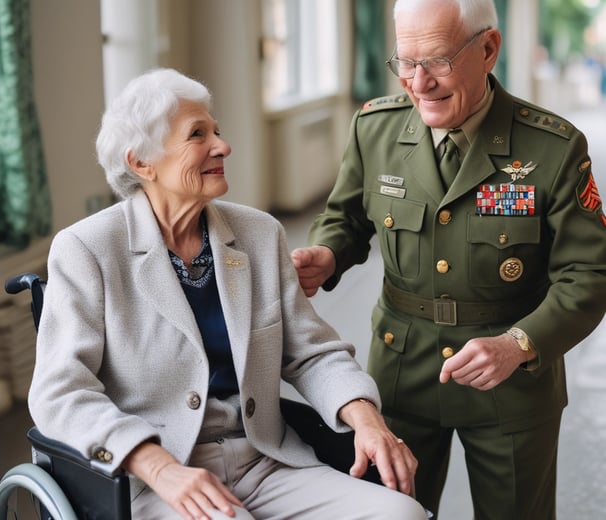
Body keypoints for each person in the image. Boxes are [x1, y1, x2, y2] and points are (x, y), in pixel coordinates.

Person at [27, 68, 428, 520]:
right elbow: (60, 392)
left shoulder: (257, 233)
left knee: (401, 514)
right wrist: (157, 466)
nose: (223, 145)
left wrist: (365, 418)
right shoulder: (88, 249)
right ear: (141, 163)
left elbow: (311, 352)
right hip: (149, 479)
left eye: (216, 130)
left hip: (264, 461)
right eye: (198, 135)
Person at [291, 1, 606, 519]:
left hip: (512, 380)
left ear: (488, 49)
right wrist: (326, 254)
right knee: (391, 512)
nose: (419, 82)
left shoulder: (553, 148)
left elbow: (588, 274)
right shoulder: (376, 129)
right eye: (405, 62)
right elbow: (346, 218)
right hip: (400, 369)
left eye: (436, 61)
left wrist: (518, 344)